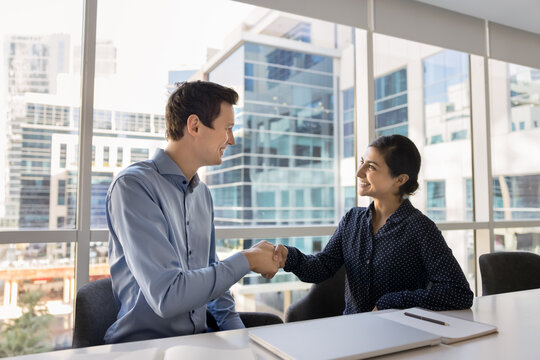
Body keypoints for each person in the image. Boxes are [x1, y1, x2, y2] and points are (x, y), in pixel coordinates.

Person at [105, 81, 279, 344]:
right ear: (195, 125)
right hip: (143, 348)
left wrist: (243, 339)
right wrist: (247, 259)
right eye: (228, 128)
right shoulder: (133, 187)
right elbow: (167, 294)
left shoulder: (202, 194)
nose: (231, 140)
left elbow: (213, 277)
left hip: (197, 343)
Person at [273, 134, 473, 313]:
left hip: (402, 335)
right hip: (354, 333)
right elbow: (322, 267)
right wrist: (288, 257)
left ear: (400, 179)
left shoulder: (420, 228)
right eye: (362, 163)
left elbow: (458, 292)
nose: (359, 172)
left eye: (371, 167)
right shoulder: (352, 219)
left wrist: (393, 301)